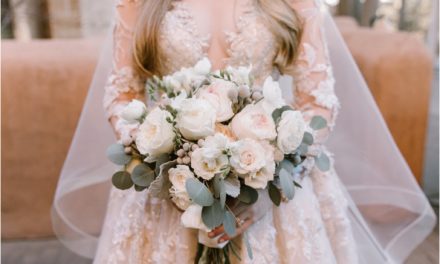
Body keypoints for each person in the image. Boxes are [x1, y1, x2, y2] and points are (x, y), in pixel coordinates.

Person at [52, 0, 436, 263]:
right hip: (165, 196)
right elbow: (121, 94)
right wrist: (163, 164)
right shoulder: (141, 2)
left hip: (274, 190)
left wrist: (268, 185)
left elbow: (318, 101)